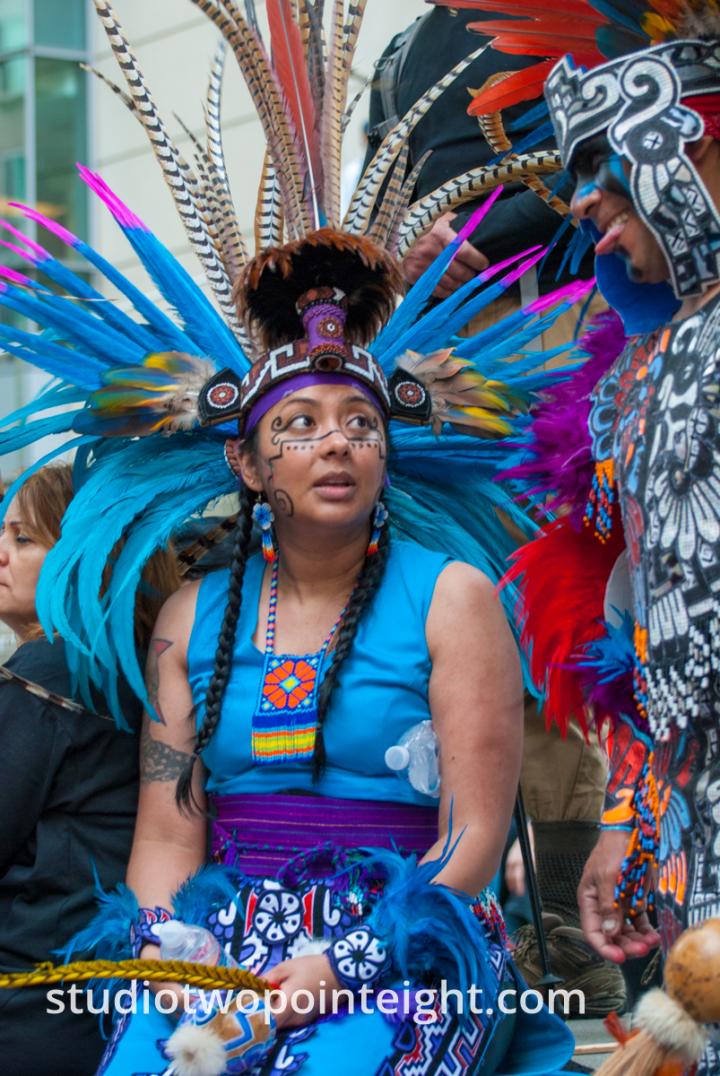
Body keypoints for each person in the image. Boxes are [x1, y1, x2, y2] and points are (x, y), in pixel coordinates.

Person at [470, 2, 720, 1070]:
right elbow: (643, 632)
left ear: (684, 146)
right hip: (694, 836)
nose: (582, 205)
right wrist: (628, 818)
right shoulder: (637, 372)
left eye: (603, 169)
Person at [0, 463, 179, 1075]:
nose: (1, 553)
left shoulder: (47, 675)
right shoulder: (136, 669)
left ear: (89, 559)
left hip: (26, 1001)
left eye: (23, 538)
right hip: (98, 1003)